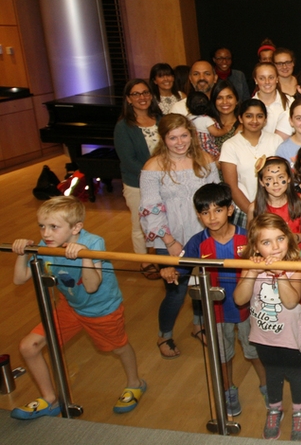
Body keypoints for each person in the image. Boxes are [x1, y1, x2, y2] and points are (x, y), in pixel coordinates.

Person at [11, 197, 145, 419]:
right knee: (28, 347)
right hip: (70, 307)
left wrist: (84, 256)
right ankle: (50, 399)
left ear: (76, 228)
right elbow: (20, 279)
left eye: (54, 227)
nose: (46, 233)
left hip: (101, 309)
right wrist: (22, 254)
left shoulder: (93, 242)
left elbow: (92, 287)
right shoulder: (46, 245)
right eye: (42, 226)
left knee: (118, 348)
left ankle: (136, 383)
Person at [181, 183, 265, 417]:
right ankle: (228, 390)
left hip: (248, 308)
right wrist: (170, 271)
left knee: (254, 351)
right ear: (198, 215)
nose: (212, 217)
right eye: (205, 212)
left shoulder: (246, 237)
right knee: (222, 356)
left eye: (218, 210)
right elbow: (180, 267)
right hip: (215, 311)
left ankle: (266, 386)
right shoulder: (197, 242)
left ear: (229, 210)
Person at [140, 114, 218, 359]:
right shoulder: (152, 167)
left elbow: (215, 197)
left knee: (203, 284)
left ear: (192, 135)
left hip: (202, 233)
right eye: (173, 138)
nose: (180, 142)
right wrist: (170, 242)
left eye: (184, 135)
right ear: (163, 139)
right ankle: (164, 335)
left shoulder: (204, 160)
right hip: (169, 236)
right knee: (176, 290)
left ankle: (198, 324)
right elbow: (151, 210)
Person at [233, 213, 301, 441]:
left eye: (280, 239)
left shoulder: (297, 266)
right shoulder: (250, 266)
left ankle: (299, 411)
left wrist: (281, 274)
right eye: (266, 242)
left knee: (296, 375)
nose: (275, 247)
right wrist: (251, 272)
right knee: (272, 373)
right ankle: (275, 409)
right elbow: (239, 299)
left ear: (288, 238)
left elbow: (291, 301)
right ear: (256, 247)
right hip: (263, 335)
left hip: (291, 336)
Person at [113, 79, 161, 275]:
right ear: (128, 99)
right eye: (136, 94)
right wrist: (153, 177)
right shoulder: (123, 127)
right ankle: (143, 260)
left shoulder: (161, 119)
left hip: (165, 181)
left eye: (146, 92)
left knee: (161, 221)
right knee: (140, 223)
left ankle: (160, 256)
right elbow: (128, 160)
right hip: (137, 184)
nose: (142, 97)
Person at [219, 99, 283, 227]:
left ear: (265, 120)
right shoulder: (230, 145)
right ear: (240, 118)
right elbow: (232, 186)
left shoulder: (276, 140)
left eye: (259, 116)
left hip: (275, 208)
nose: (254, 121)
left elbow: (283, 176)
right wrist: (252, 212)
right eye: (249, 116)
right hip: (243, 209)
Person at [254, 156, 301, 245]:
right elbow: (252, 237)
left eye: (280, 177)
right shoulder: (254, 207)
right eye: (269, 179)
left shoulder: (299, 200)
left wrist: (298, 237)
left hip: (297, 251)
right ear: (261, 182)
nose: (275, 183)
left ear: (289, 178)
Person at [252, 62, 293, 138]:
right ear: (256, 80)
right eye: (262, 78)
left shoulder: (290, 102)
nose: (267, 82)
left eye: (271, 77)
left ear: (277, 79)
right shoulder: (250, 106)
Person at [208, 80, 242, 158]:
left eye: (229, 97)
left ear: (236, 100)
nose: (225, 102)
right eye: (219, 98)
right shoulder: (207, 124)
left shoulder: (243, 127)